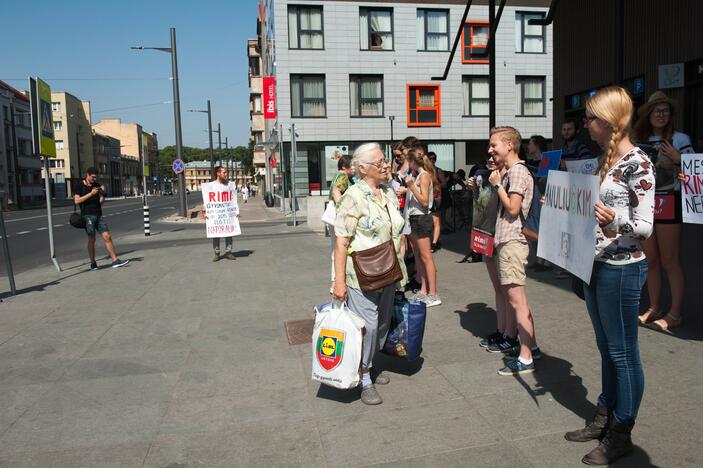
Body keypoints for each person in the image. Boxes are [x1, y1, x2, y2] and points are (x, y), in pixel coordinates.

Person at [563, 86, 655, 465]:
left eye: (591, 118)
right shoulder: (606, 160)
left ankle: (622, 431)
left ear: (609, 121)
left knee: (623, 353)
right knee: (607, 349)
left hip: (622, 269)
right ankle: (606, 413)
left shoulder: (639, 162)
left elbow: (646, 227)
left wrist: (615, 220)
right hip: (596, 263)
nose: (586, 124)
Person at [332, 143, 406, 405]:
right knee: (369, 327)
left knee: (383, 324)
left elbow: (397, 230)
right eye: (379, 162)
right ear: (362, 169)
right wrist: (338, 281)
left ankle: (370, 363)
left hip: (390, 270)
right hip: (361, 275)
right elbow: (341, 241)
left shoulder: (387, 192)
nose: (386, 165)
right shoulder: (353, 196)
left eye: (385, 160)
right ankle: (363, 378)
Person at [633, 91, 694, 331]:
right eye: (656, 110)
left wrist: (680, 159)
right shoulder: (638, 140)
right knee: (651, 260)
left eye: (665, 110)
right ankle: (654, 307)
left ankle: (675, 313)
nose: (661, 114)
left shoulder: (680, 139)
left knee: (670, 260)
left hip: (670, 201)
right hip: (645, 203)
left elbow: (695, 173)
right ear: (648, 114)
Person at [487, 127, 537, 375]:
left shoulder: (517, 171)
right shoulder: (513, 171)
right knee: (517, 300)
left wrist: (497, 185)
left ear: (509, 145)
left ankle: (526, 357)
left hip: (512, 242)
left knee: (517, 301)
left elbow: (513, 209)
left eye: (493, 144)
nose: (490, 149)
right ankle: (532, 347)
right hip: (509, 241)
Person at [468, 156, 510, 350]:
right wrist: (476, 188)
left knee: (510, 293)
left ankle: (511, 335)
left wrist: (496, 185)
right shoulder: (484, 177)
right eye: (488, 157)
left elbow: (512, 207)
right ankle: (501, 330)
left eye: (495, 155)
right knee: (498, 289)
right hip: (486, 234)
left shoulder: (509, 176)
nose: (490, 158)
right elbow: (483, 206)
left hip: (504, 237)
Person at [405, 148, 441, 307]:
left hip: (421, 218)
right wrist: (408, 188)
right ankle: (424, 290)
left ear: (413, 161)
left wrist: (411, 187)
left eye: (408, 160)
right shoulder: (418, 176)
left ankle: (433, 294)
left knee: (426, 256)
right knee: (420, 255)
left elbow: (425, 201)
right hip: (415, 218)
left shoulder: (424, 176)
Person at [73, 167, 129, 270]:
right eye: (93, 177)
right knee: (92, 239)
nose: (94, 179)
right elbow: (77, 201)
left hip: (98, 215)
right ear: (87, 175)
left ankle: (115, 260)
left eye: (96, 177)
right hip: (87, 216)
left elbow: (100, 203)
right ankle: (93, 263)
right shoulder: (79, 185)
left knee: (107, 236)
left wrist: (102, 194)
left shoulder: (96, 185)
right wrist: (91, 193)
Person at [204, 166, 239, 262]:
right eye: (224, 173)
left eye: (226, 172)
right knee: (216, 233)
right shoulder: (211, 186)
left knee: (229, 232)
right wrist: (205, 212)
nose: (226, 174)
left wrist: (236, 211)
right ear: (218, 173)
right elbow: (207, 201)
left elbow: (233, 199)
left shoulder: (229, 185)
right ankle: (217, 253)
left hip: (227, 213)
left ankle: (228, 252)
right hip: (216, 214)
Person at [328, 155, 354, 282]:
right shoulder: (343, 176)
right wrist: (342, 209)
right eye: (352, 166)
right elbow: (336, 191)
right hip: (338, 214)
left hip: (332, 213)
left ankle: (335, 279)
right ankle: (338, 279)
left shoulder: (337, 176)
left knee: (336, 247)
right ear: (344, 167)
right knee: (340, 247)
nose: (354, 170)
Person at [427, 152, 446, 252]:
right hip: (426, 197)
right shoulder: (425, 170)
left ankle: (434, 243)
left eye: (433, 158)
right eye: (430, 158)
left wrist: (435, 184)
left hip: (436, 197)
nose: (432, 160)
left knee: (436, 221)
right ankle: (435, 241)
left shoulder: (438, 171)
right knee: (429, 222)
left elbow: (444, 184)